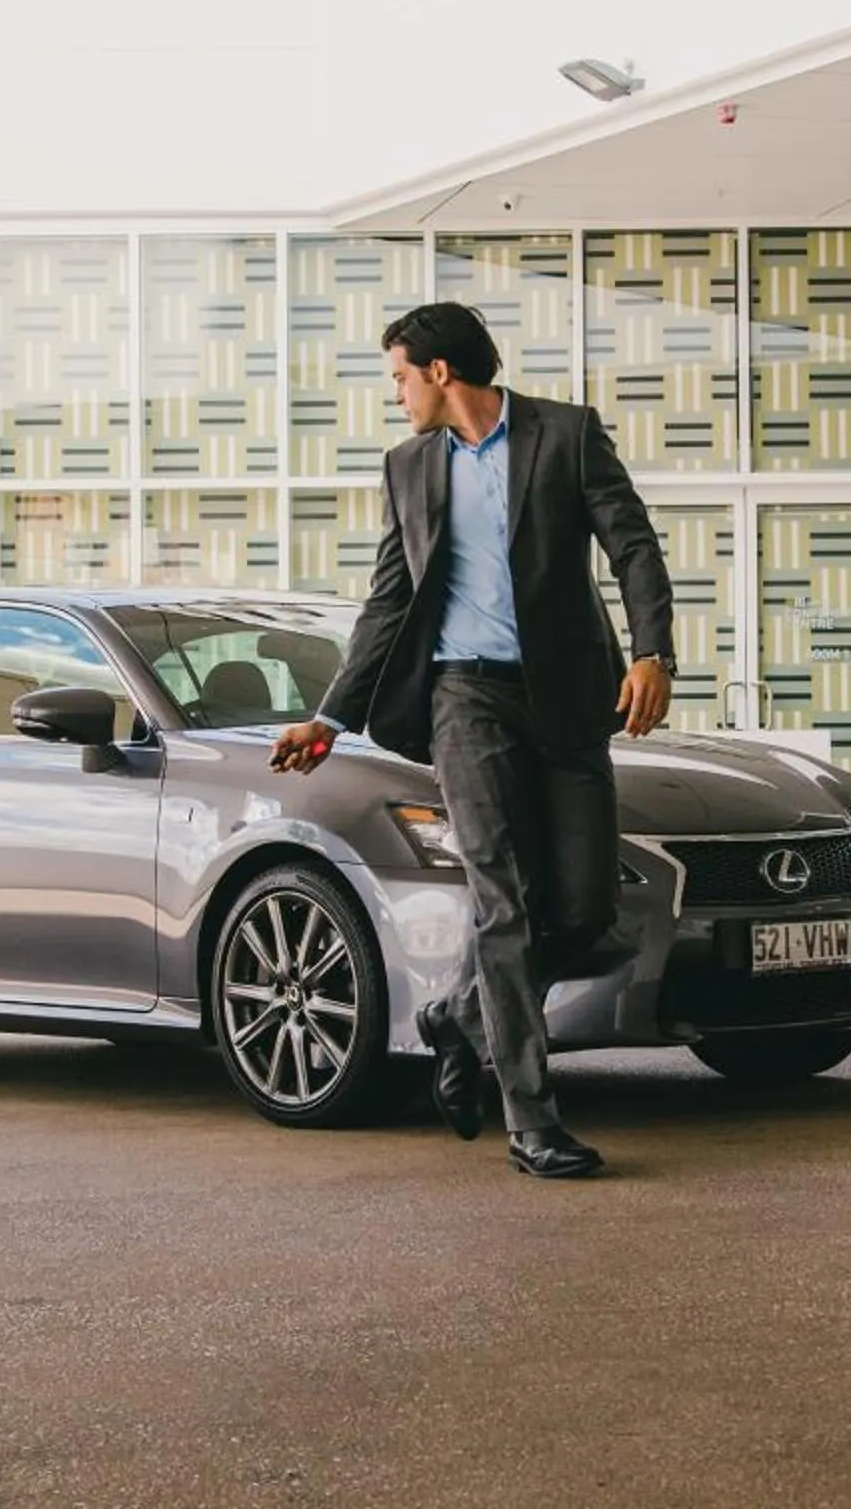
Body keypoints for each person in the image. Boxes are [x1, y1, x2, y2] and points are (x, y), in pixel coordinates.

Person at [271, 302, 673, 1180]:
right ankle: (532, 1122)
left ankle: (456, 1014)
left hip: (567, 697)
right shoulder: (409, 467)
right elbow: (389, 600)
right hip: (465, 698)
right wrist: (331, 718)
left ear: (441, 373)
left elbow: (633, 547)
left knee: (584, 912)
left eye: (401, 377)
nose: (398, 396)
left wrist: (651, 653)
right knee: (504, 898)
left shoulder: (565, 436)